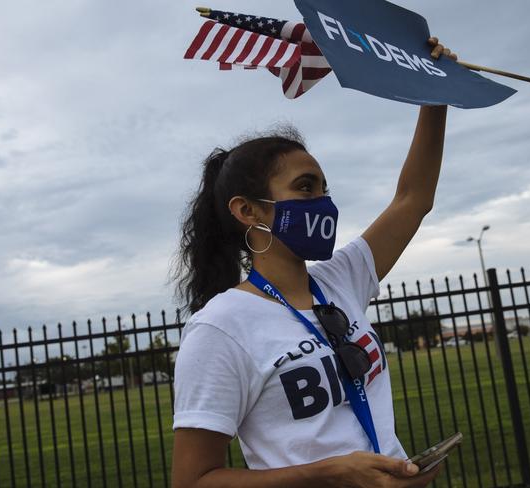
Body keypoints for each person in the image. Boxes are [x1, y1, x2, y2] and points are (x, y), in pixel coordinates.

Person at [171, 38, 457, 488]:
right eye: (305, 188)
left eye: (324, 189)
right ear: (248, 211)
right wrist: (329, 474)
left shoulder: (340, 279)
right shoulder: (220, 328)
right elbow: (193, 481)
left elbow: (412, 199)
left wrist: (436, 92)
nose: (321, 203)